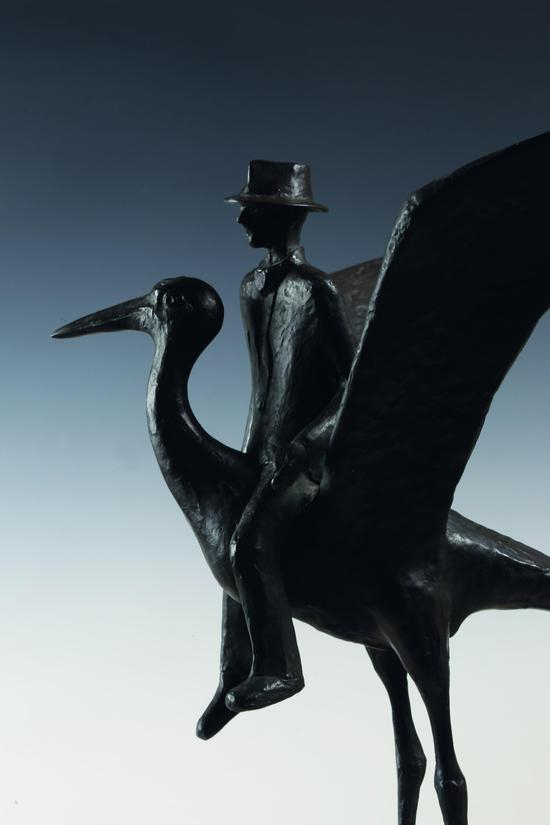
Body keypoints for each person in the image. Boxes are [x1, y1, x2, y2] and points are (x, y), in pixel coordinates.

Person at [196, 160, 354, 737]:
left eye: (251, 211)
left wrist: (307, 444)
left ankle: (281, 668)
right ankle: (230, 673)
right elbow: (265, 383)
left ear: (283, 218)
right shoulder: (250, 286)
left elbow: (353, 386)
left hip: (303, 458)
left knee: (247, 544)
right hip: (257, 444)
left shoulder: (316, 289)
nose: (242, 221)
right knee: (226, 543)